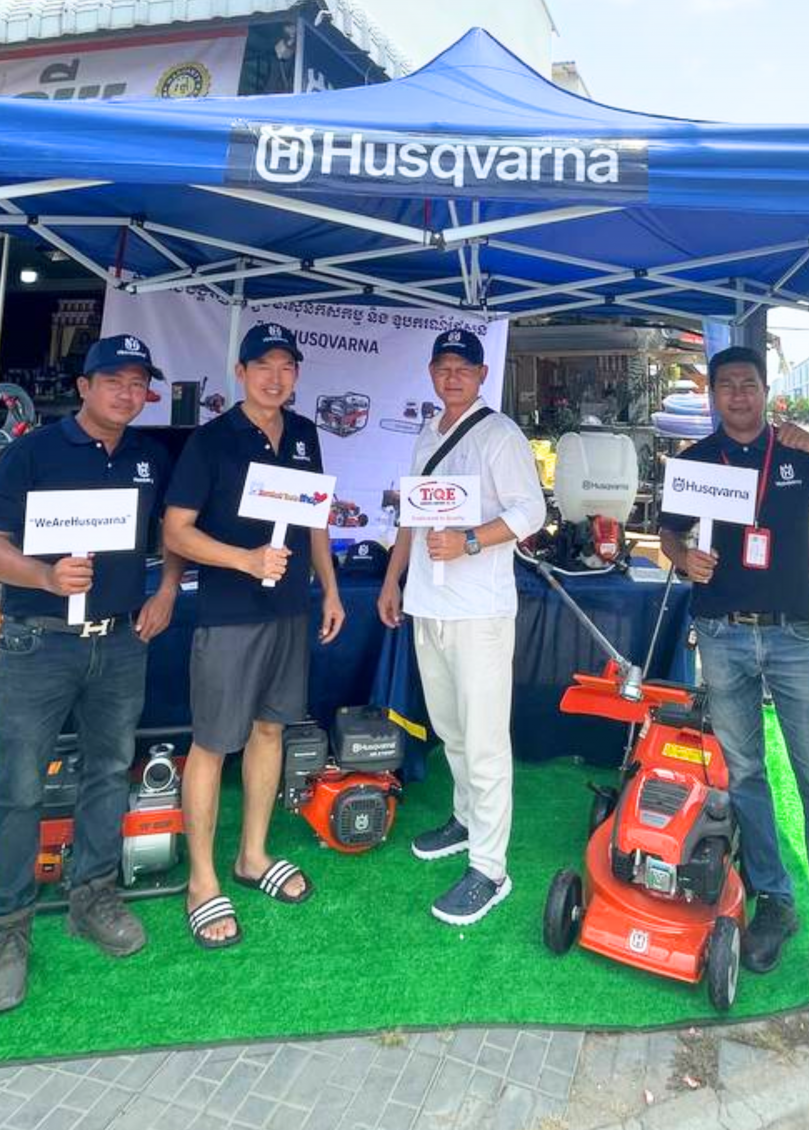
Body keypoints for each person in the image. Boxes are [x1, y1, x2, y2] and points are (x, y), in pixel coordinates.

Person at [658, 346, 809, 1026]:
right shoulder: (696, 461)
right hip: (723, 635)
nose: (738, 394)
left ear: (766, 391)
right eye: (726, 385)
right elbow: (668, 537)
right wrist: (685, 557)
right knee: (746, 775)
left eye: (749, 384)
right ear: (712, 395)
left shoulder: (798, 451)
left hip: (795, 639)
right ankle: (775, 901)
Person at [0, 334, 182, 1014]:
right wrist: (46, 576)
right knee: (19, 787)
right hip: (39, 642)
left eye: (138, 382)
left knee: (109, 772)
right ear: (84, 387)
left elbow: (172, 533)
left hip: (120, 642)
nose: (127, 393)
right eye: (113, 380)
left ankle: (93, 896)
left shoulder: (149, 457)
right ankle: (7, 928)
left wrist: (166, 589)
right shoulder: (32, 452)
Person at [163, 322, 344, 948]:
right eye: (263, 366)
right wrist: (243, 560)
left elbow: (315, 520)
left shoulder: (305, 434)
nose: (275, 378)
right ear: (240, 372)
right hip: (229, 614)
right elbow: (176, 532)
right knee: (213, 743)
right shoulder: (210, 440)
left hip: (289, 610)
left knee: (271, 729)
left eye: (286, 367)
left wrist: (330, 589)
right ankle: (202, 880)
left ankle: (253, 855)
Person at [377, 329, 546, 926]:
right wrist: (393, 580)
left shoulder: (499, 434)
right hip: (430, 605)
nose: (452, 377)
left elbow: (531, 512)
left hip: (479, 611)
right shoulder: (428, 432)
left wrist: (471, 540)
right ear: (431, 373)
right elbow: (411, 515)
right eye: (443, 367)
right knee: (450, 729)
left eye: (463, 368)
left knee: (484, 740)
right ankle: (467, 818)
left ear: (481, 375)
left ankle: (490, 869)